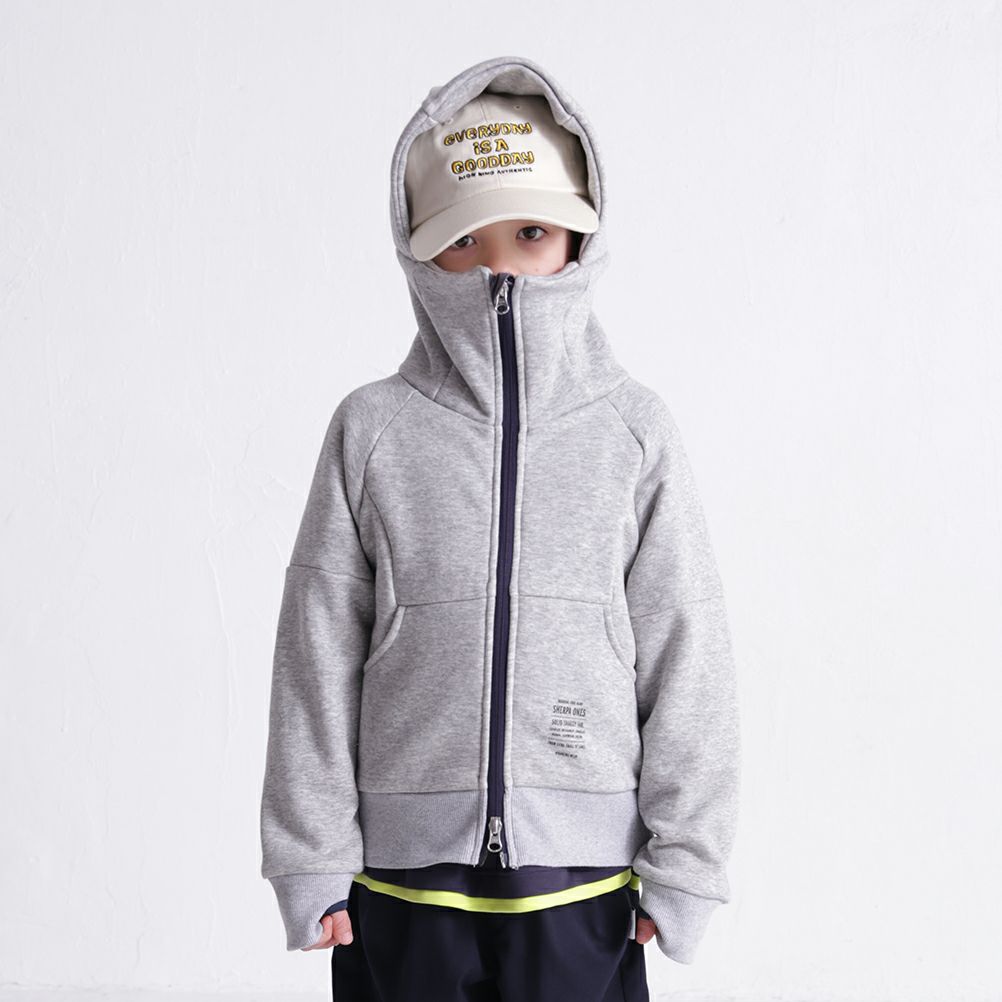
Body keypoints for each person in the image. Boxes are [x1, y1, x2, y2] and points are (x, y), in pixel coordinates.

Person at [259, 55, 741, 1002]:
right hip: (401, 885)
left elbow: (688, 650)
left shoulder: (632, 430)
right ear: (418, 254)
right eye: (463, 240)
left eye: (529, 232)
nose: (497, 267)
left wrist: (688, 860)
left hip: (584, 884)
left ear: (579, 238)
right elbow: (314, 654)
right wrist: (310, 853)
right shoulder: (372, 429)